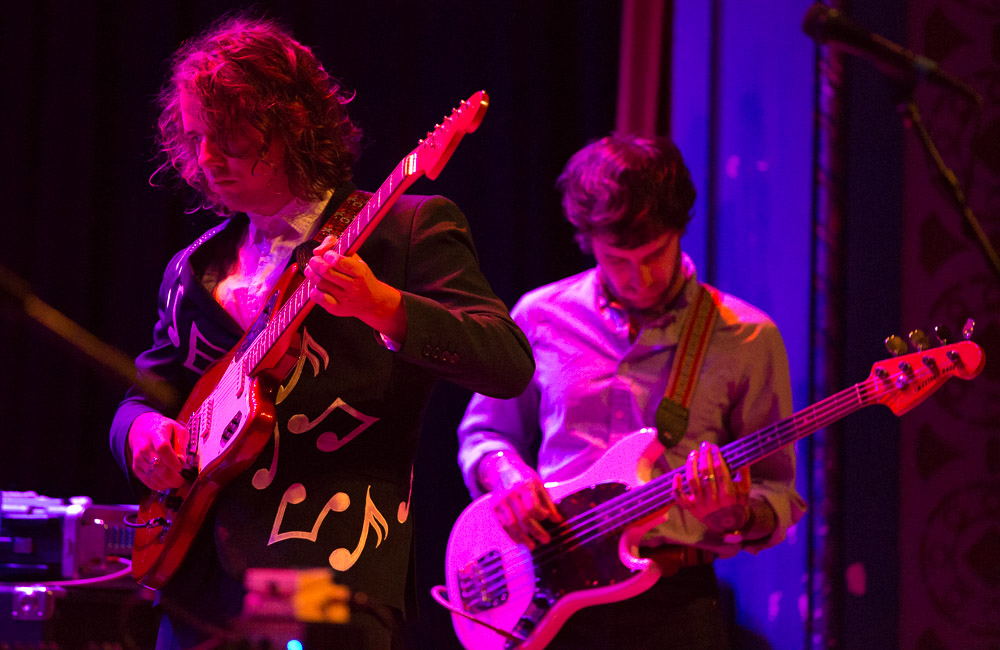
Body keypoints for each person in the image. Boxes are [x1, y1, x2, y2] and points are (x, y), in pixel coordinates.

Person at [108, 14, 534, 649]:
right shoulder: (192, 269)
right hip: (195, 586)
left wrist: (384, 306)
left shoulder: (405, 231)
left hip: (330, 571)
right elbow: (144, 397)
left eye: (228, 136)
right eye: (195, 138)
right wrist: (140, 435)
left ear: (292, 125)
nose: (207, 158)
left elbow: (508, 362)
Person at [456, 134, 807, 648]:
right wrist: (506, 475)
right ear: (588, 241)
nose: (639, 278)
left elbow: (777, 490)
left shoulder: (747, 337)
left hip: (674, 601)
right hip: (550, 591)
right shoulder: (539, 316)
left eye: (654, 254)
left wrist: (735, 514)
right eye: (617, 260)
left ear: (679, 231)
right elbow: (486, 432)